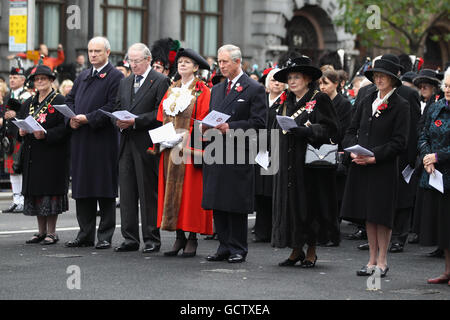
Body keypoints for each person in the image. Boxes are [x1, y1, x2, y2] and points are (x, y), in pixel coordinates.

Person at [341, 55, 410, 278]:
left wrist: (374, 157)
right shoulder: (366, 99)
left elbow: (400, 141)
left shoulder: (401, 105)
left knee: (382, 214)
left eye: (384, 76)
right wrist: (353, 150)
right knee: (368, 214)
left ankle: (382, 261)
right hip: (361, 165)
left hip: (383, 167)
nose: (379, 79)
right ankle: (371, 259)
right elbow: (351, 130)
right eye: (376, 75)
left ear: (393, 79)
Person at [271, 56, 338, 268]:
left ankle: (311, 249)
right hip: (289, 159)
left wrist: (308, 131)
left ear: (307, 78)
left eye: (296, 77)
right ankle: (295, 248)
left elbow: (333, 129)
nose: (291, 81)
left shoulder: (320, 99)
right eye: (289, 77)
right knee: (291, 205)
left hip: (310, 163)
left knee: (309, 205)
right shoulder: (285, 100)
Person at [202, 44, 266, 263]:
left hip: (239, 151)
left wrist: (231, 127)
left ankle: (238, 247)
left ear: (238, 62)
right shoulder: (218, 89)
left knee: (235, 201)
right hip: (216, 149)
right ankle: (223, 245)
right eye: (219, 62)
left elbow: (259, 123)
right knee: (218, 200)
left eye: (225, 62)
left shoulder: (253, 88)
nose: (221, 66)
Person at [64, 37, 124, 249]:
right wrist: (70, 118)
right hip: (81, 138)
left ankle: (105, 235)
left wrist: (88, 118)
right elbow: (69, 99)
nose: (93, 54)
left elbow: (112, 106)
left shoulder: (115, 76)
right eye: (90, 51)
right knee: (83, 188)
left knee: (104, 188)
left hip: (102, 140)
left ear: (107, 52)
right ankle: (85, 233)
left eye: (97, 51)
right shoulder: (83, 76)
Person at [155, 48, 213, 257]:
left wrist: (184, 136)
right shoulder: (172, 88)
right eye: (180, 62)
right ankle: (178, 236)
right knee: (171, 194)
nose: (182, 65)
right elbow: (161, 114)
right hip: (170, 148)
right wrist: (164, 135)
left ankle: (192, 238)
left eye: (187, 62)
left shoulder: (203, 91)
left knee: (190, 195)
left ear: (196, 68)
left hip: (188, 150)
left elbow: (203, 121)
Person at [113, 43, 169, 253]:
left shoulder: (160, 80)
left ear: (148, 60)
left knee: (148, 193)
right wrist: (117, 121)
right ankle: (129, 238)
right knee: (126, 193)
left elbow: (161, 112)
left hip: (146, 142)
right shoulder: (125, 82)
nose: (133, 65)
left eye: (137, 61)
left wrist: (136, 121)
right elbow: (117, 106)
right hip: (126, 141)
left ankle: (151, 238)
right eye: (131, 61)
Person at [18, 65, 71, 245]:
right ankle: (40, 231)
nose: (40, 81)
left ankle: (52, 232)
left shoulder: (59, 100)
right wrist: (22, 132)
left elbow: (65, 128)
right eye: (37, 79)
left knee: (50, 193)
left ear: (51, 80)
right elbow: (21, 120)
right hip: (33, 154)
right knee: (37, 193)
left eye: (43, 78)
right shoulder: (30, 102)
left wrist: (47, 134)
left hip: (52, 154)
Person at [416, 68, 450, 285]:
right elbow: (423, 133)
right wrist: (427, 156)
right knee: (443, 225)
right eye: (446, 85)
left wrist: (437, 156)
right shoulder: (436, 107)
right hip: (436, 176)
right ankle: (448, 270)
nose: (448, 89)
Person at [318, 67, 352, 247]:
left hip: (336, 150)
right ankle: (323, 231)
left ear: (336, 84)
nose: (322, 87)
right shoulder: (319, 102)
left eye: (326, 83)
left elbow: (344, 129)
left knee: (334, 196)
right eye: (320, 84)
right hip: (320, 150)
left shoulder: (344, 104)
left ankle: (333, 232)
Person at [253, 68, 286, 243]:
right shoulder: (262, 100)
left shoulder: (286, 102)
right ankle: (260, 231)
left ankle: (276, 229)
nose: (276, 83)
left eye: (280, 80)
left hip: (277, 149)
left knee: (274, 192)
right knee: (260, 192)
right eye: (273, 80)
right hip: (259, 150)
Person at [0, 67, 32, 213]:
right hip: (9, 138)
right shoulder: (7, 96)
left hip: (20, 136)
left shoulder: (27, 96)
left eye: (15, 77)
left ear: (23, 80)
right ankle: (16, 200)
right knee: (12, 170)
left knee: (20, 169)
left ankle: (24, 200)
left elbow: (30, 115)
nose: (11, 80)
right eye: (11, 77)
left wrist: (16, 114)